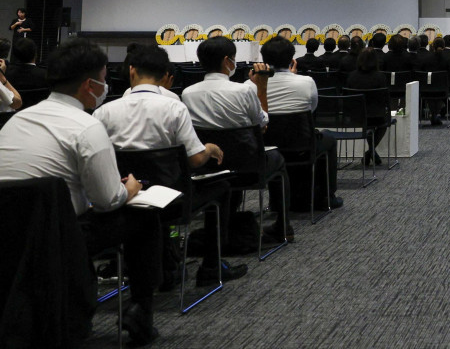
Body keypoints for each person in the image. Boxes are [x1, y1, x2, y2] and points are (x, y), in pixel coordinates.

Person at [0, 38, 161, 345]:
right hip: (59, 236)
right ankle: (141, 311)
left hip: (8, 233)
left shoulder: (17, 121)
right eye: (103, 79)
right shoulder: (85, 127)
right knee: (144, 217)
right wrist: (130, 189)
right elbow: (106, 201)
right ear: (90, 85)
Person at [94, 46, 248, 286]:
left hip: (124, 198)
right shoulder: (174, 107)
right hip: (171, 200)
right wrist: (208, 148)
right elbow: (195, 160)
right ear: (165, 74)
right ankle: (211, 266)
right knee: (223, 188)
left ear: (131, 70)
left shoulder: (103, 112)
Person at [181, 36, 293, 242]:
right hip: (247, 166)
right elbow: (262, 125)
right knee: (278, 159)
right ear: (227, 61)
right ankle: (283, 226)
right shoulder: (243, 91)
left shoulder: (188, 94)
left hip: (209, 167)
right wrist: (261, 86)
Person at [260, 37, 342, 209]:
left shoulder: (251, 85)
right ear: (292, 60)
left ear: (264, 61)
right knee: (329, 138)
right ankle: (328, 195)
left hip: (266, 149)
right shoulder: (306, 82)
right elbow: (311, 109)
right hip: (301, 146)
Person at [347, 47, 389, 165]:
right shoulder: (380, 77)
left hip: (356, 116)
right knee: (383, 124)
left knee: (369, 125)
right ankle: (370, 152)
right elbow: (384, 99)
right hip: (376, 115)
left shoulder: (352, 76)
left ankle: (369, 152)